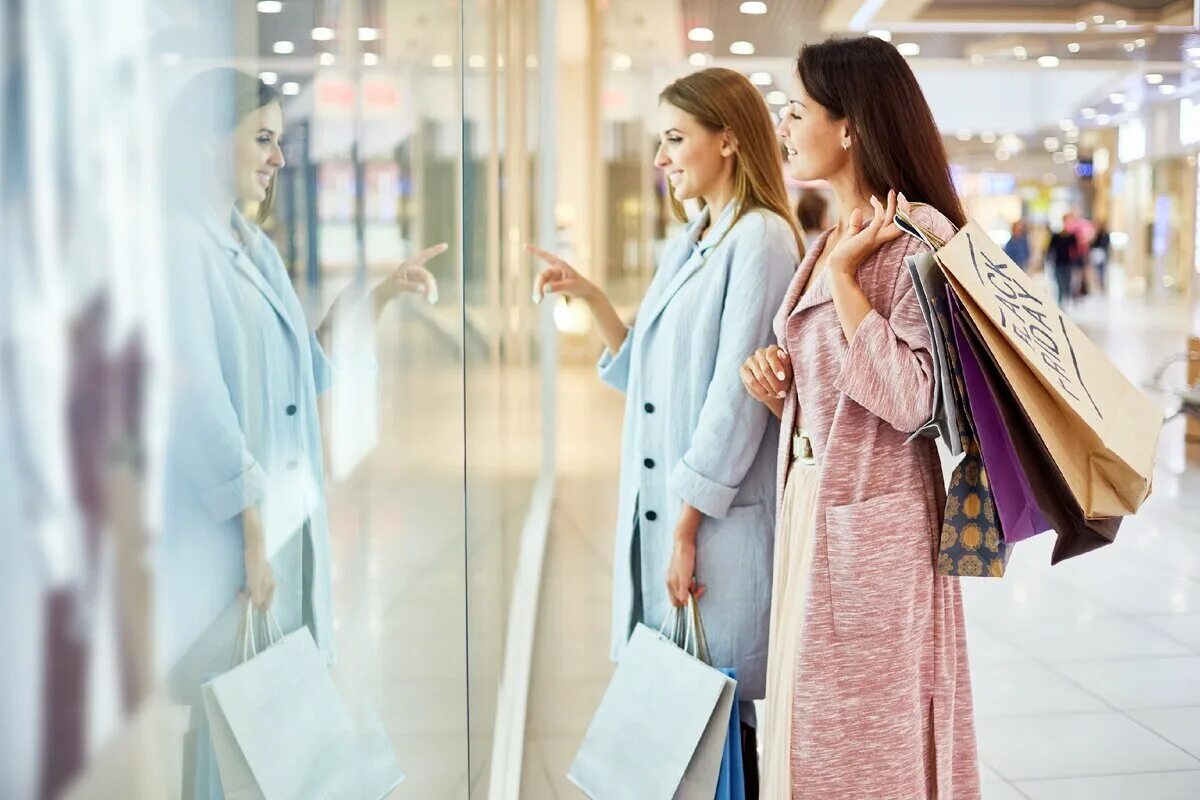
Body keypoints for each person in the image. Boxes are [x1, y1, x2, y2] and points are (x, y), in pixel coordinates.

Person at [156, 69, 444, 796]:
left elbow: (303, 366)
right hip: (235, 540)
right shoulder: (176, 248)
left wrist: (375, 296)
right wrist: (253, 529)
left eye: (279, 142)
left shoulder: (249, 246)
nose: (278, 159)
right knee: (234, 717)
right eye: (261, 138)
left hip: (276, 528)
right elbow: (197, 403)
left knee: (267, 723)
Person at [529, 67, 802, 795]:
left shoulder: (764, 241)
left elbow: (734, 400)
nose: (661, 158)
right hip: (674, 513)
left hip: (709, 522)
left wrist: (684, 529)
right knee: (692, 712)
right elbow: (650, 373)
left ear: (730, 140)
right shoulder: (693, 237)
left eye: (676, 138)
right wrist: (591, 298)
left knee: (715, 708)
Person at [740, 36, 980, 798]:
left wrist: (846, 285)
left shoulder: (920, 238)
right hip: (818, 506)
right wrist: (779, 388)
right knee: (821, 731)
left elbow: (913, 400)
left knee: (864, 741)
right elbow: (843, 388)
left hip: (877, 525)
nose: (784, 125)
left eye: (795, 110)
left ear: (847, 126)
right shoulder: (834, 235)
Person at [1046, 222, 1080, 306]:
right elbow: (1050, 249)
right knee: (1059, 282)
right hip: (1058, 263)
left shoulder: (1072, 237)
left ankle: (1067, 300)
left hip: (1068, 263)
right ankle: (1060, 301)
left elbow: (1076, 250)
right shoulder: (1056, 236)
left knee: (1067, 282)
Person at [1090, 221, 1111, 292]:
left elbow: (1106, 244)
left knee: (1102, 270)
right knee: (1097, 270)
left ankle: (1102, 284)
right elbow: (1092, 245)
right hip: (1096, 254)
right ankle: (1098, 284)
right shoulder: (1096, 234)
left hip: (1103, 254)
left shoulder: (1106, 234)